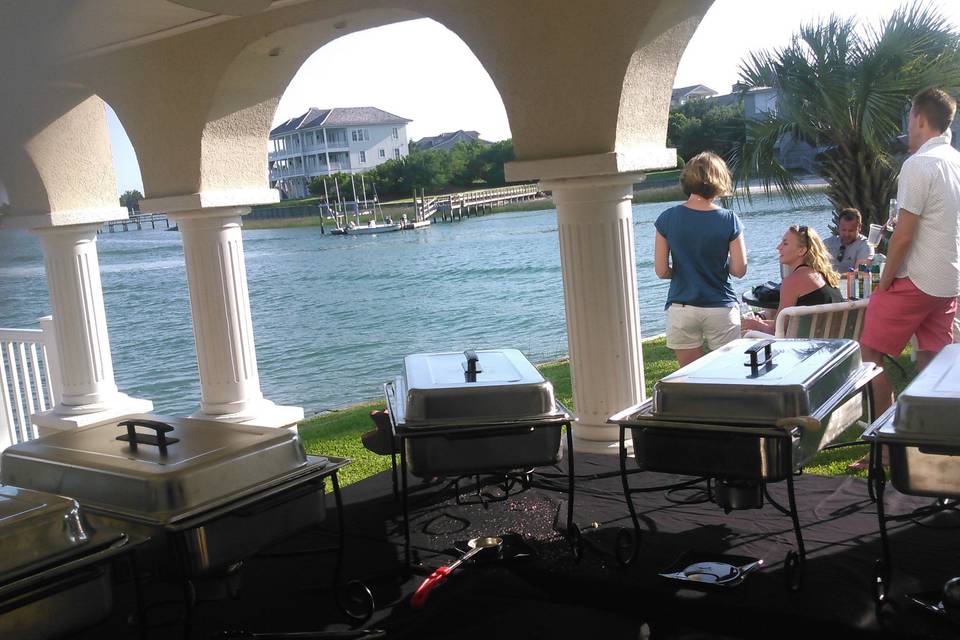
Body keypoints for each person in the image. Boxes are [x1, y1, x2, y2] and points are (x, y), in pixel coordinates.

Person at [857, 87, 960, 446]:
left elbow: (903, 235)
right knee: (932, 361)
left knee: (869, 354)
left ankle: (887, 446)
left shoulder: (919, 164)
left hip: (915, 280)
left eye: (909, 118)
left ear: (918, 118)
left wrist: (885, 280)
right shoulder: (955, 161)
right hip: (948, 280)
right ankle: (935, 442)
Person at [655, 151, 748, 367]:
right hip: (720, 306)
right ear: (720, 180)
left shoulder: (667, 218)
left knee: (690, 378)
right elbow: (739, 270)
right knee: (727, 374)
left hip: (681, 307)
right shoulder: (729, 219)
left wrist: (681, 269)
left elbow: (661, 271)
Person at [741, 225, 843, 335]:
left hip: (808, 346)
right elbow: (786, 324)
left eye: (785, 243)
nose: (778, 247)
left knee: (745, 334)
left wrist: (755, 325)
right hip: (833, 343)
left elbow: (778, 331)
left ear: (801, 250)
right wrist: (762, 323)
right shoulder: (824, 275)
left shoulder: (793, 281)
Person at [824, 208, 874, 273]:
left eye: (851, 231)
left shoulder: (865, 245)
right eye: (843, 230)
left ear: (859, 227)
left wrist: (834, 277)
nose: (846, 234)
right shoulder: (828, 243)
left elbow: (860, 271)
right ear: (838, 226)